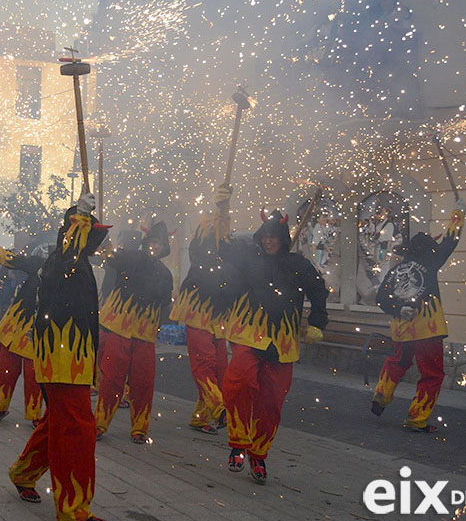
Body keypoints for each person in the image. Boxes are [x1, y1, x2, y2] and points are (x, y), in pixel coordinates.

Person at [8, 193, 111, 521]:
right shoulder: (64, 259)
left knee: (57, 423)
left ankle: (23, 472)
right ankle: (74, 508)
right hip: (62, 359)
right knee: (76, 430)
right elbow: (70, 246)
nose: (98, 242)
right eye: (94, 234)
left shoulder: (73, 261)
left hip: (72, 360)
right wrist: (80, 215)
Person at [220, 208, 328, 484]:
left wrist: (317, 322)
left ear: (282, 239)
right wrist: (223, 210)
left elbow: (318, 289)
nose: (269, 241)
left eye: (274, 237)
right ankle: (239, 442)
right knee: (239, 382)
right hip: (248, 332)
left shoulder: (298, 264)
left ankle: (258, 453)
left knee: (272, 401)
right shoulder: (247, 259)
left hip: (283, 340)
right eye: (265, 236)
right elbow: (223, 249)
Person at [371, 199, 466, 432]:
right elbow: (450, 242)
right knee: (432, 374)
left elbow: (381, 298)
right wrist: (458, 214)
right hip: (428, 329)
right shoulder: (431, 262)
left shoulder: (396, 269)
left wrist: (396, 309)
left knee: (399, 361)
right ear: (428, 250)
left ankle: (381, 395)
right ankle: (416, 418)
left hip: (401, 329)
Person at [94, 221, 173, 444]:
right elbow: (109, 255)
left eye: (159, 244)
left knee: (143, 384)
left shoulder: (165, 274)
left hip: (145, 337)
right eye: (152, 242)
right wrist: (101, 235)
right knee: (110, 380)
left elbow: (165, 305)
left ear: (163, 248)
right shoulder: (129, 258)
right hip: (119, 330)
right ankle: (99, 424)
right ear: (146, 243)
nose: (154, 247)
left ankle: (139, 428)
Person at [169, 185, 232, 434]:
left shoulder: (228, 247)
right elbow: (203, 250)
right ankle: (219, 408)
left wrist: (224, 213)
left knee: (220, 367)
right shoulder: (201, 244)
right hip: (197, 308)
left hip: (220, 312)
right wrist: (221, 211)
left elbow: (226, 249)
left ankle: (200, 416)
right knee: (204, 365)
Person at [0, 239, 46, 426]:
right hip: (15, 325)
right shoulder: (37, 264)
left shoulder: (68, 272)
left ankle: (35, 415)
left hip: (37, 331)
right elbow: (10, 259)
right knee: (4, 372)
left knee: (34, 376)